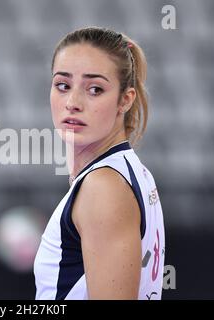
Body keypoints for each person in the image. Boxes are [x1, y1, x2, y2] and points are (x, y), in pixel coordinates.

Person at [33, 27, 165, 300]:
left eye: (95, 89)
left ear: (125, 100)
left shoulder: (103, 187)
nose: (72, 102)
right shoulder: (128, 173)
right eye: (63, 85)